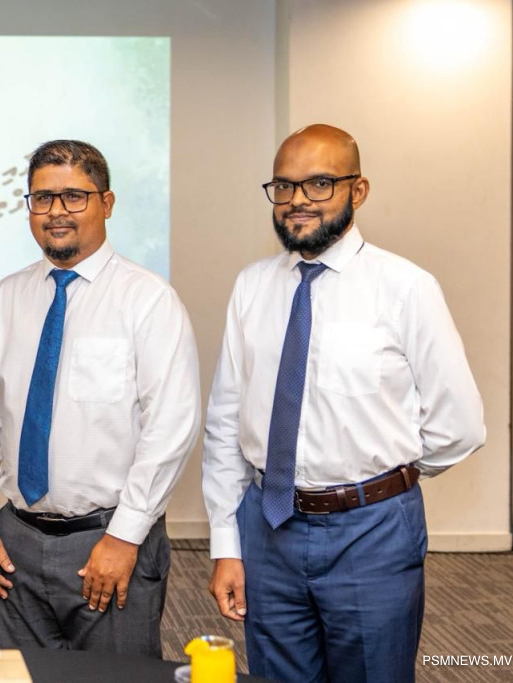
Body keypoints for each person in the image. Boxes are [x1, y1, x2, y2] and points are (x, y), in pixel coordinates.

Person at [202, 124, 485, 682]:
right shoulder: (252, 286)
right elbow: (225, 424)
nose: (298, 200)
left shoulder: (406, 287)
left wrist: (380, 481)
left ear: (358, 190)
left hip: (372, 534)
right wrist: (226, 544)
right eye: (284, 186)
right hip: (268, 527)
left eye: (319, 183)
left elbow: (460, 425)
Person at [0, 139, 201, 657]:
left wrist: (126, 535)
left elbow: (171, 428)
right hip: (15, 540)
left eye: (74, 197)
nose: (56, 212)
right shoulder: (5, 299)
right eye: (42, 198)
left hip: (108, 539)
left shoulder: (147, 299)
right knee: (20, 676)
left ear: (106, 203)